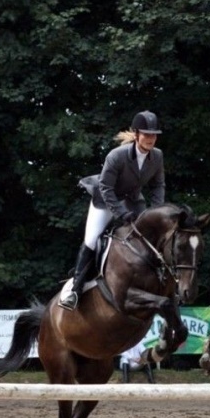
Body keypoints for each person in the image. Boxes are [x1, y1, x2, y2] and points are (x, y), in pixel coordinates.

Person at [58, 111, 165, 310]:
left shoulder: (157, 156)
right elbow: (106, 188)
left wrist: (156, 211)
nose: (151, 139)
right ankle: (74, 289)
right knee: (91, 240)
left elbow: (158, 185)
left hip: (133, 200)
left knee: (153, 235)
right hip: (106, 200)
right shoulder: (117, 155)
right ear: (136, 134)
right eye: (147, 134)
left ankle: (164, 281)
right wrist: (120, 213)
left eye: (154, 135)